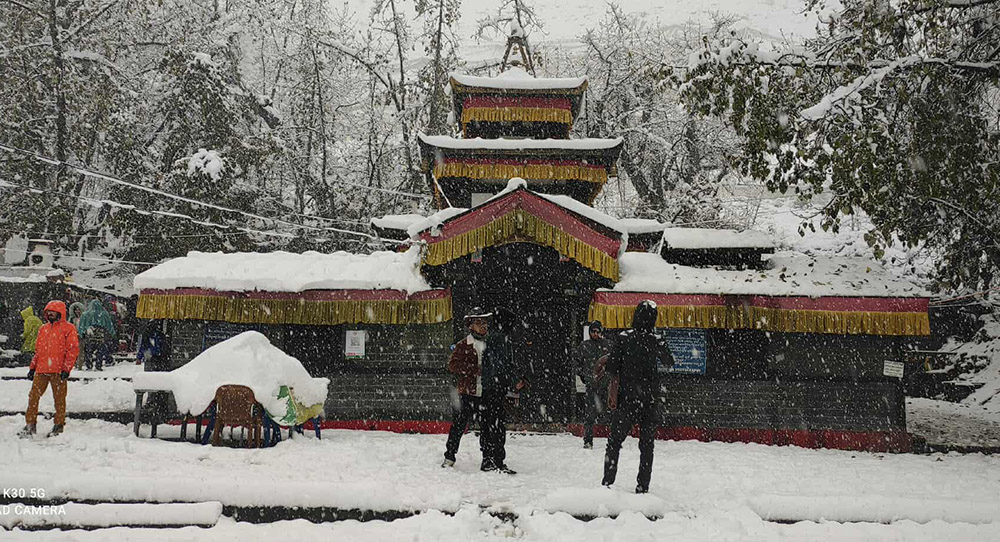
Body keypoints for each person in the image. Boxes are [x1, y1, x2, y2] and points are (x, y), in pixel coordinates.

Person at [601, 300, 675, 494]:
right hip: (649, 400)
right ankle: (643, 485)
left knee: (614, 442)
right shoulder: (655, 340)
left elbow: (611, 367)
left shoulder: (624, 338)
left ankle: (608, 482)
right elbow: (669, 361)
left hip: (627, 398)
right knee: (647, 445)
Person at [442, 306, 525, 473]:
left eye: (485, 323)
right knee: (459, 425)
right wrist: (474, 369)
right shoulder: (464, 344)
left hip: (486, 392)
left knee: (487, 427)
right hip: (467, 392)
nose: (483, 326)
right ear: (471, 325)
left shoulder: (491, 342)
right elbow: (453, 365)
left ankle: (487, 458)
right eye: (479, 323)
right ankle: (450, 455)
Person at [18, 300, 79, 438]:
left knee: (59, 399)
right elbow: (38, 351)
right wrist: (32, 367)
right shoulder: (43, 329)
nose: (50, 314)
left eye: (53, 311)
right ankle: (30, 424)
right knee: (33, 397)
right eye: (48, 311)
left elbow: (72, 350)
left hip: (59, 370)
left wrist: (66, 369)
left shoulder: (68, 328)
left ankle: (59, 425)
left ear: (60, 312)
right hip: (41, 369)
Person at [572, 321, 611, 449]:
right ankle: (588, 441)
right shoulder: (584, 346)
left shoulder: (608, 345)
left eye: (597, 331)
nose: (595, 334)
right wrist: (582, 375)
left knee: (610, 414)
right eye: (593, 331)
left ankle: (613, 441)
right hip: (591, 385)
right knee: (589, 415)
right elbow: (576, 362)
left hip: (606, 385)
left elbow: (614, 362)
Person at [77, 299, 117, 371]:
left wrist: (81, 334)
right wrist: (112, 334)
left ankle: (89, 365)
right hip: (100, 334)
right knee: (100, 351)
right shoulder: (104, 314)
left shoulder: (85, 314)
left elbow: (81, 326)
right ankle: (98, 365)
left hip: (89, 334)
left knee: (88, 350)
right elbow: (109, 325)